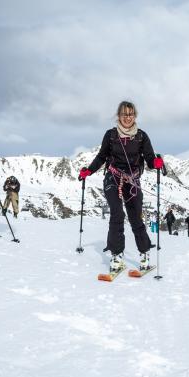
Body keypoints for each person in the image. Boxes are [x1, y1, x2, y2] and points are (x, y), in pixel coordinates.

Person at [78, 101, 163, 273]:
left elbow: (149, 159)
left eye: (131, 114)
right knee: (117, 213)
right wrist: (89, 170)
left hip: (132, 181)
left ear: (135, 116)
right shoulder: (110, 135)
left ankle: (144, 252)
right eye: (124, 114)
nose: (127, 117)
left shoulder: (141, 136)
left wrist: (156, 162)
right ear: (118, 116)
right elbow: (102, 157)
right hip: (113, 178)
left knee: (135, 218)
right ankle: (117, 255)